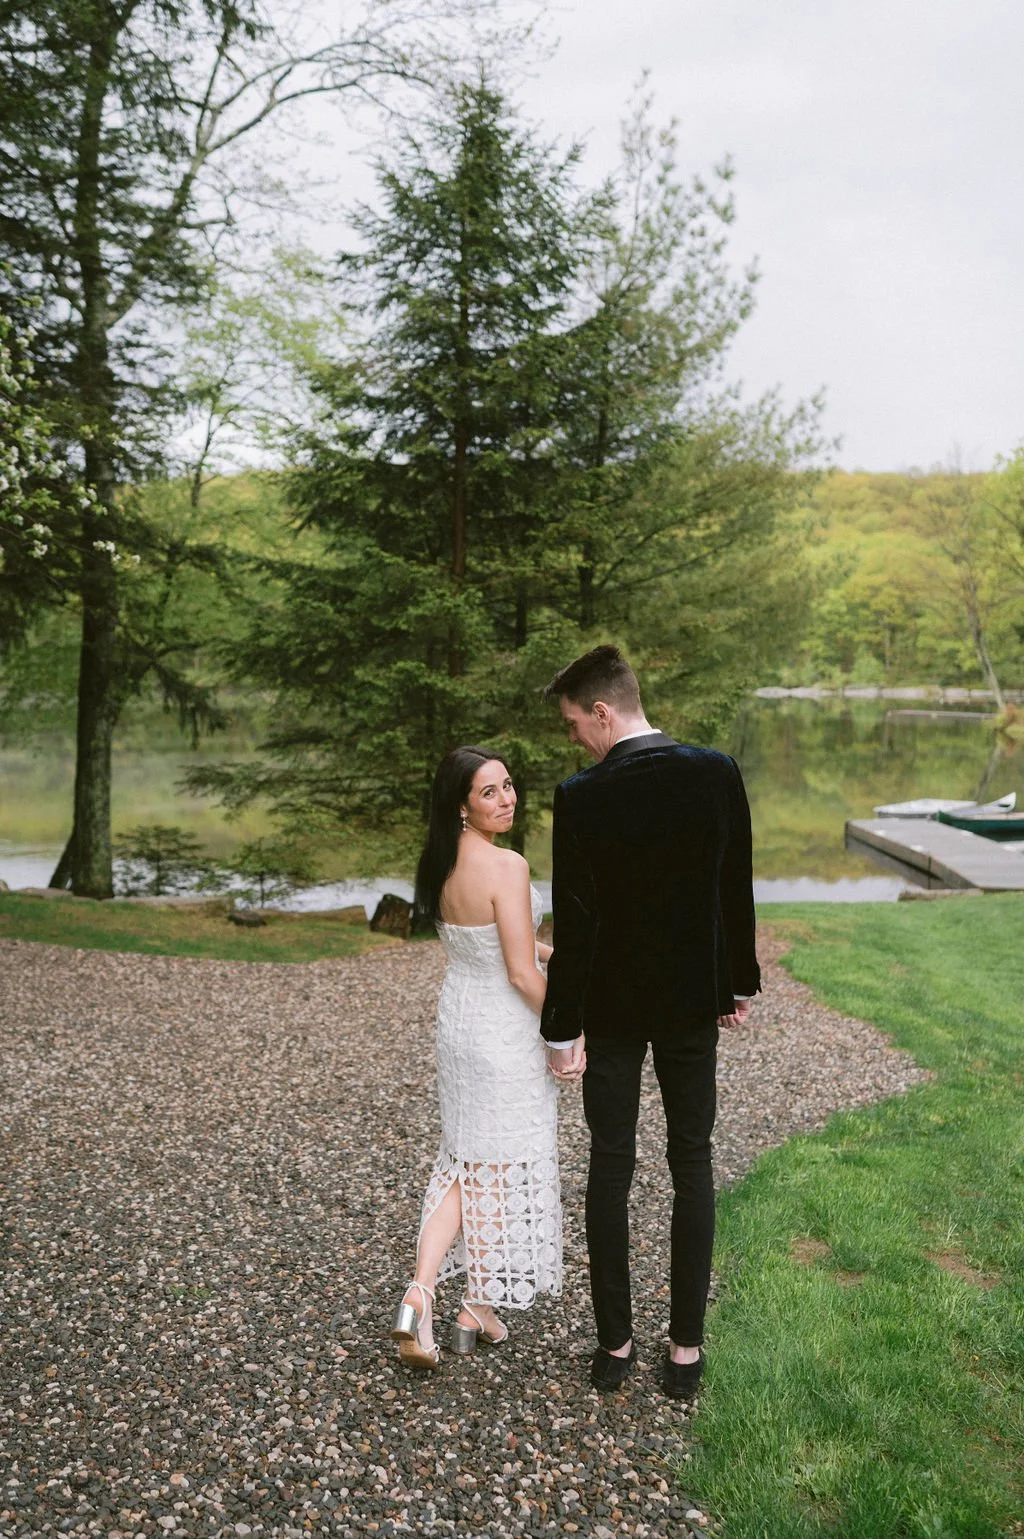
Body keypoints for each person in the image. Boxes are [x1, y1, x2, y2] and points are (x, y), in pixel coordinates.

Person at [540, 645, 760, 1398]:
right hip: (691, 1001)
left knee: (611, 1163)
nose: (574, 740)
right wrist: (737, 983)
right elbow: (734, 885)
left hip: (613, 1008)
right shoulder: (717, 771)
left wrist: (560, 1023)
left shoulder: (581, 796)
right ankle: (685, 1355)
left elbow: (577, 921)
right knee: (691, 1161)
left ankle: (616, 1346)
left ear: (604, 711)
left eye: (575, 724)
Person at [391, 745, 568, 1369]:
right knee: (495, 1164)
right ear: (462, 805)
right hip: (503, 1035)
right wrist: (564, 1032)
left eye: (509, 786)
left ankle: (445, 1300)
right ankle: (459, 1300)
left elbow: (489, 951)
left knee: (467, 1163)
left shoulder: (439, 863)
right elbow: (519, 972)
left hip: (459, 1025)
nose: (507, 799)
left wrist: (558, 961)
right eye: (489, 791)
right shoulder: (507, 866)